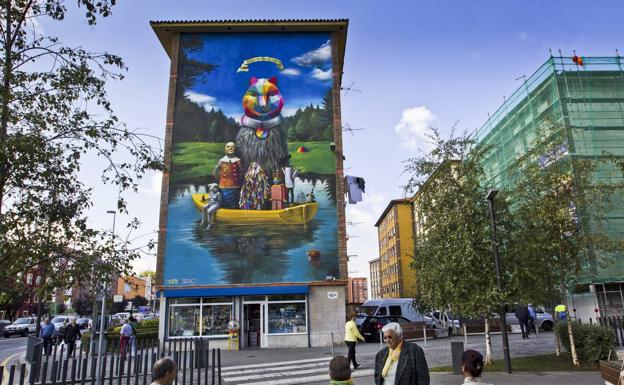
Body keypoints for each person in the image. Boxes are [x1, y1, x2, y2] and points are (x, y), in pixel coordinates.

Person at [213, 142, 242, 209]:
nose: (230, 148)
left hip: (236, 186)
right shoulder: (222, 161)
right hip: (224, 186)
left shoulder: (238, 161)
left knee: (235, 203)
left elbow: (241, 171)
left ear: (235, 149)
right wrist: (220, 180)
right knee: (226, 203)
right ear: (225, 149)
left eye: (232, 147)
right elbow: (215, 172)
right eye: (228, 146)